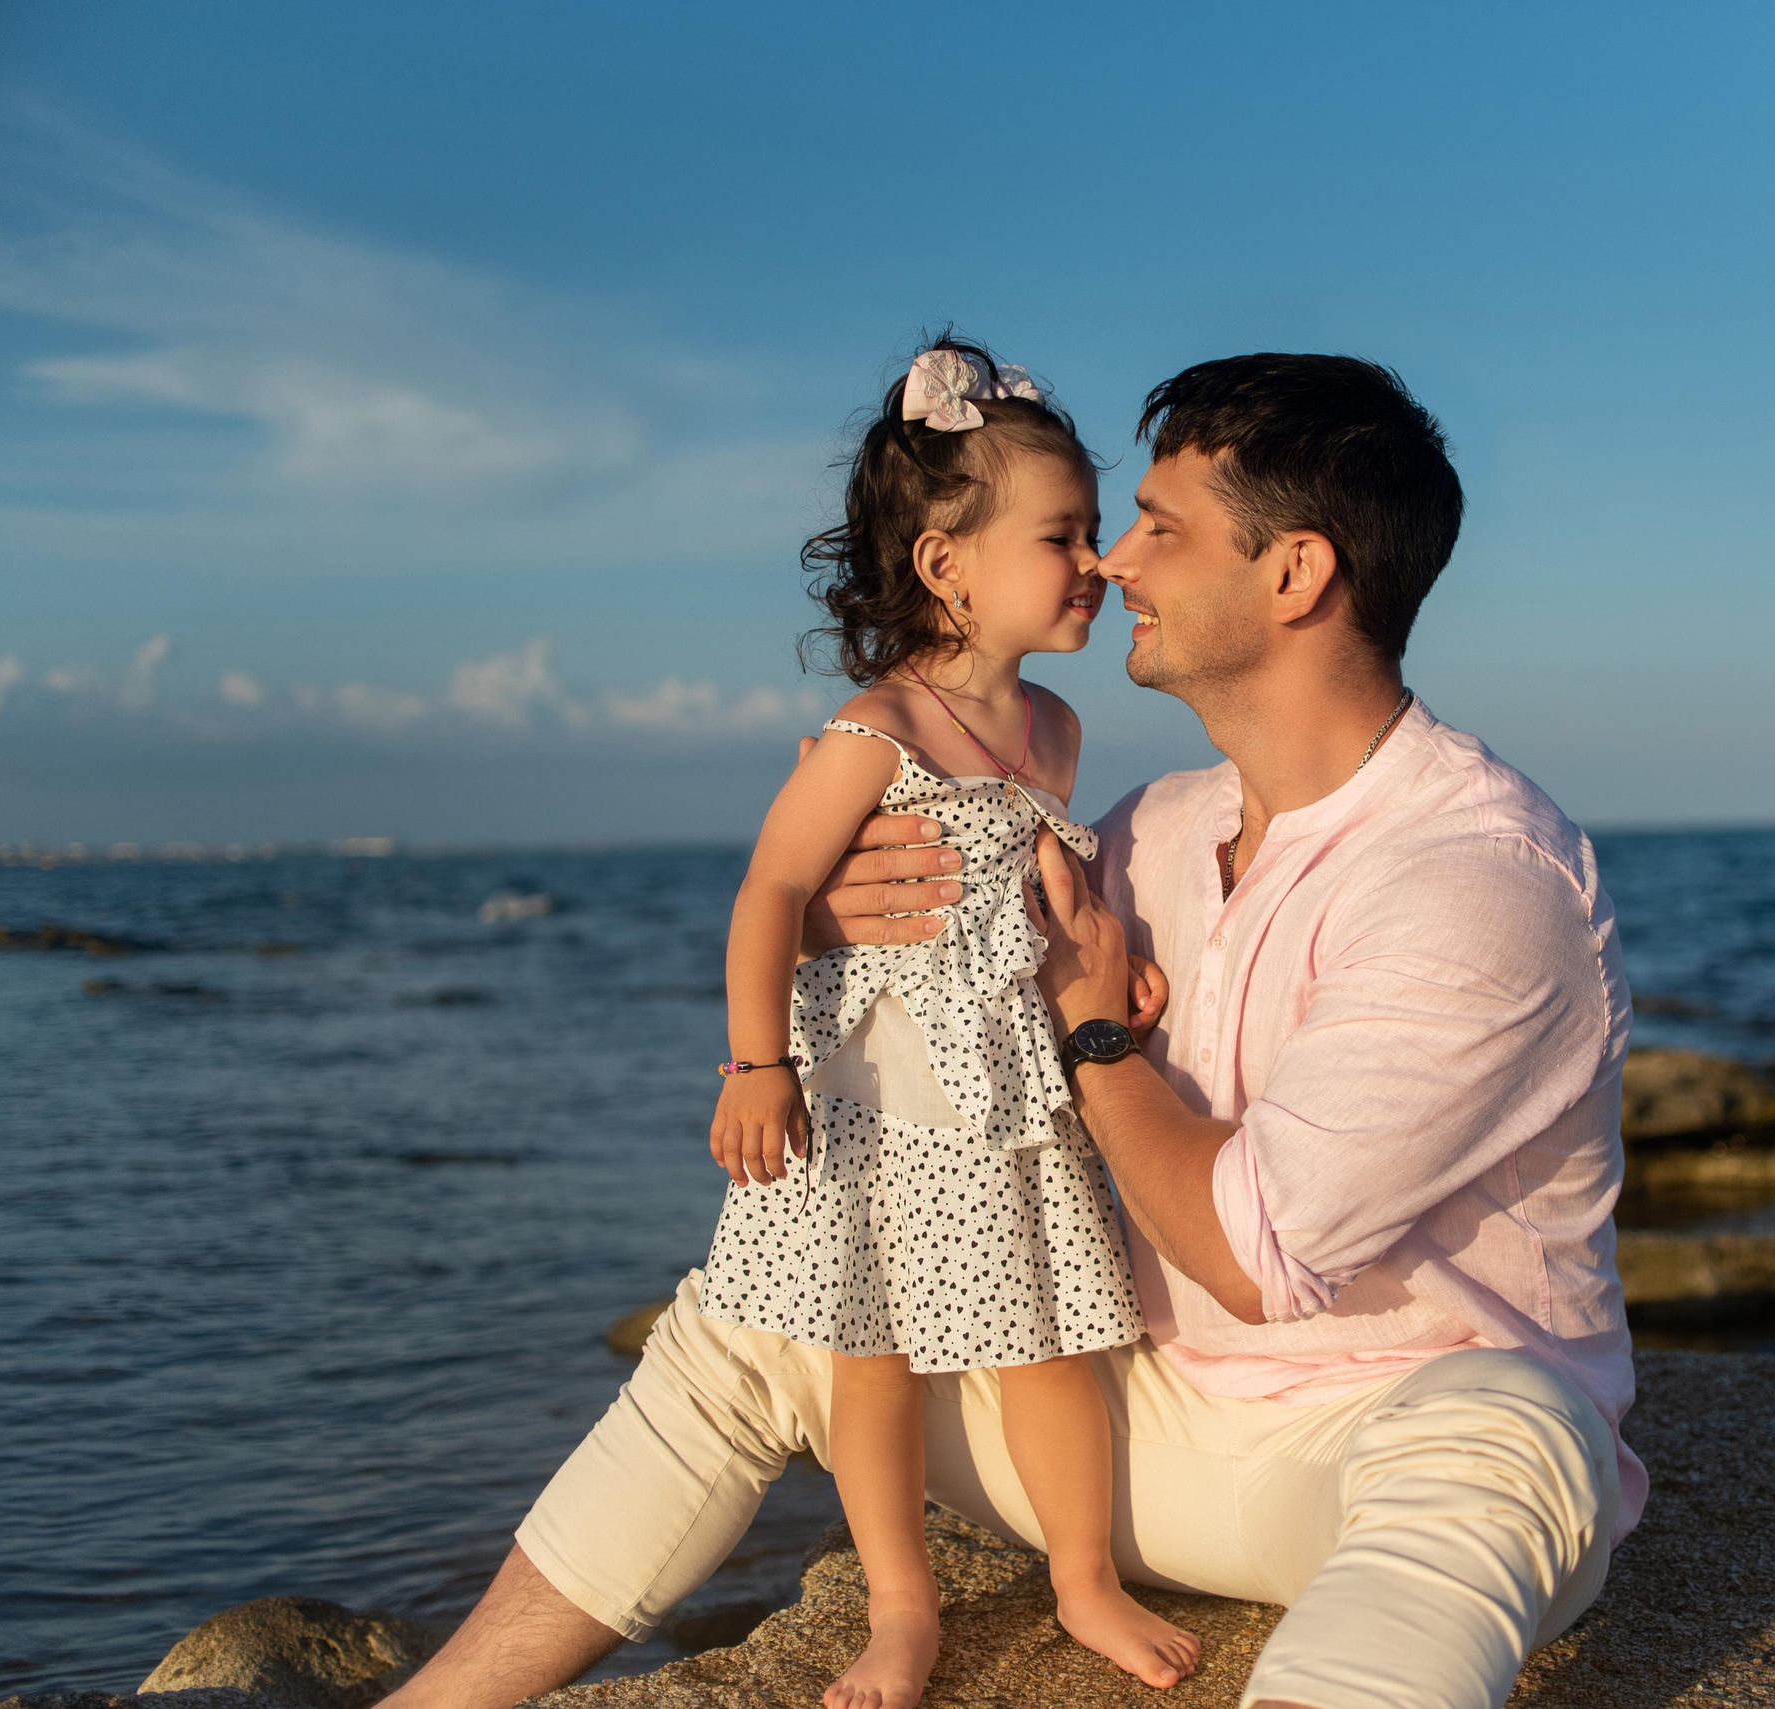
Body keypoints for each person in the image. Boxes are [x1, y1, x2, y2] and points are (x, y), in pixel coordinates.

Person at [383, 352, 1644, 1709]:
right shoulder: (1156, 826)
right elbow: (954, 950)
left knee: (1505, 1443)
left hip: (1368, 1438)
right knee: (765, 1302)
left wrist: (1099, 1037)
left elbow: (1251, 1247)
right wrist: (829, 925)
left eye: (1161, 525)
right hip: (1132, 1416)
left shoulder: (1474, 878)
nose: (1116, 557)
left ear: (1296, 576)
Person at [698, 336, 1197, 1708]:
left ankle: (1082, 1579)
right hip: (880, 1106)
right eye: (1063, 535)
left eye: (1096, 532)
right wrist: (759, 1065)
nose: (1096, 560)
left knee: (1043, 1345)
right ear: (945, 563)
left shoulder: (1055, 728)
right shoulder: (879, 728)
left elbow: (1044, 890)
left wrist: (1119, 956)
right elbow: (771, 893)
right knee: (872, 1363)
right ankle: (901, 1610)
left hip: (1009, 1102)